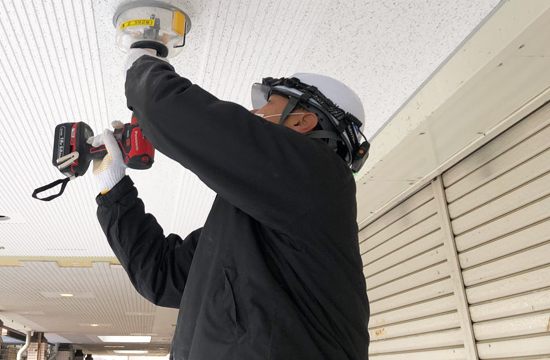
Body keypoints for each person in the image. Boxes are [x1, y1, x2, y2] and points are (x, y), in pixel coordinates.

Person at [91, 48, 371, 359]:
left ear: (302, 121)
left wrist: (142, 65)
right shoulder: (260, 226)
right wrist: (113, 191)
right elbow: (163, 277)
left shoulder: (319, 176)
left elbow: (169, 112)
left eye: (268, 105)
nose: (253, 113)